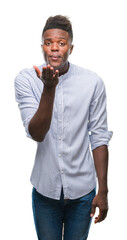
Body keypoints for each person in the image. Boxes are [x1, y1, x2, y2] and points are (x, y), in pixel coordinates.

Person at [15, 15, 113, 240]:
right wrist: (49, 89)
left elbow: (98, 137)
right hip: (45, 192)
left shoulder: (92, 82)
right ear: (42, 47)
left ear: (71, 47)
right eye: (48, 43)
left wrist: (103, 191)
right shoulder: (27, 79)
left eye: (61, 43)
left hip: (82, 193)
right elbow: (37, 133)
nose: (54, 49)